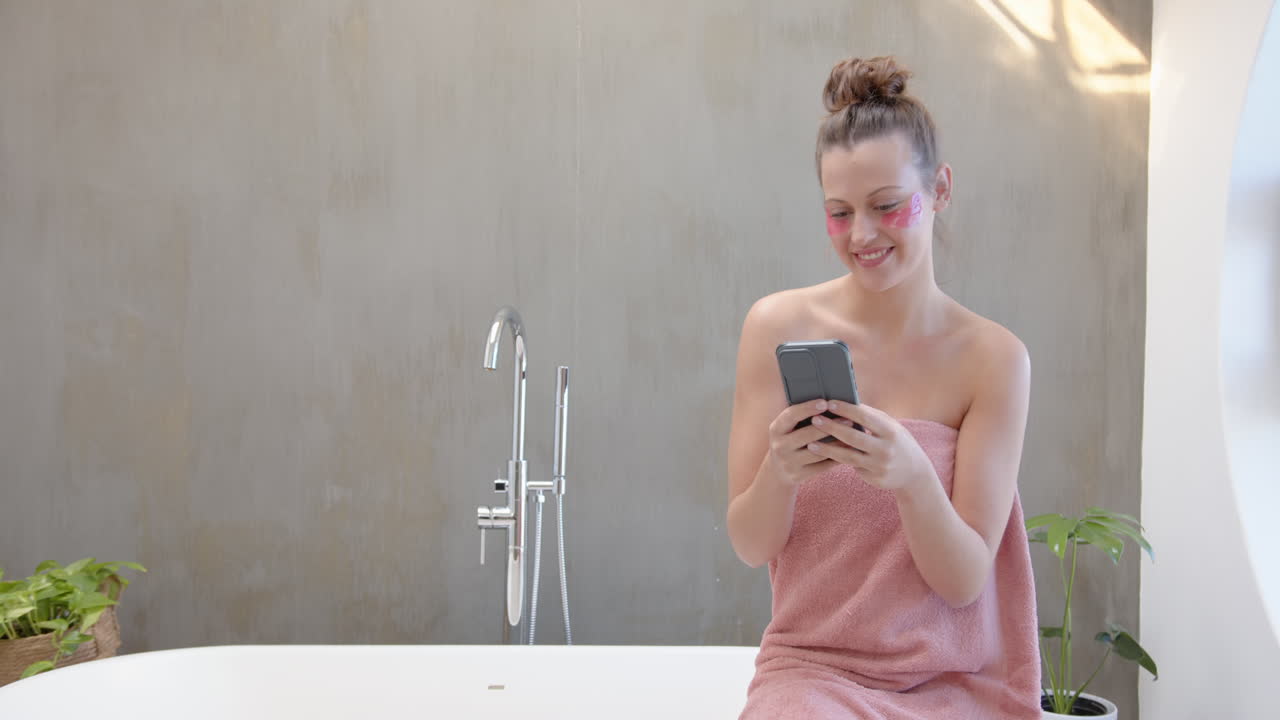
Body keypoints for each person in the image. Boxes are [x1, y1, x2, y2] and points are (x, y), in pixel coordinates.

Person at [726, 56, 1042, 719]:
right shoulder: (775, 327)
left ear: (942, 189)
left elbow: (962, 582)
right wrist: (781, 473)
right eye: (839, 213)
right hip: (812, 675)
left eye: (887, 206)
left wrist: (912, 479)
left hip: (953, 683)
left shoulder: (994, 361)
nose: (862, 235)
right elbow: (750, 545)